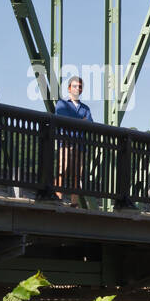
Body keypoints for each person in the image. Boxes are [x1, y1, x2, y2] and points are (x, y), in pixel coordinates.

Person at [54, 76, 94, 206]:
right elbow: (62, 120)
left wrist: (74, 121)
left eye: (80, 86)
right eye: (75, 86)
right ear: (69, 88)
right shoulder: (62, 103)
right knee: (62, 170)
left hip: (80, 145)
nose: (78, 88)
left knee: (78, 174)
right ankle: (58, 198)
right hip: (65, 143)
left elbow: (89, 123)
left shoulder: (85, 108)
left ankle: (74, 203)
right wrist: (80, 121)